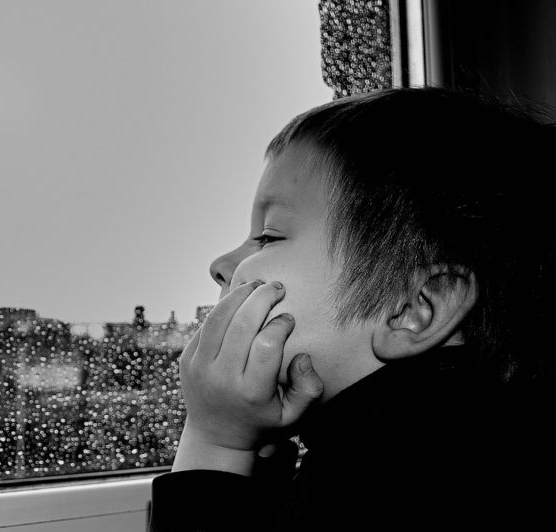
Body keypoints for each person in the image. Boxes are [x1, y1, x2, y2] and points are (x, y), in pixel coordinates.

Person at [149, 87, 556, 531]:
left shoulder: (394, 472)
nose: (221, 266)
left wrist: (217, 443)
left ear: (414, 308)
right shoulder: (472, 435)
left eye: (268, 236)